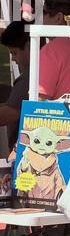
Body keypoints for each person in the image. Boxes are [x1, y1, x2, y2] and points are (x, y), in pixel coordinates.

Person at [0, 21, 31, 149]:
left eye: (14, 53)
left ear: (29, 46)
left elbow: (6, 115)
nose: (13, 59)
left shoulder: (28, 80)